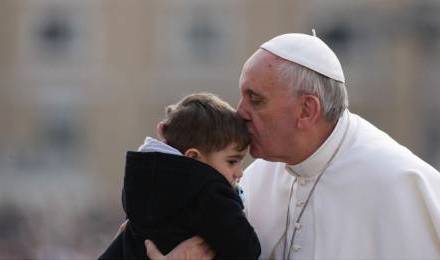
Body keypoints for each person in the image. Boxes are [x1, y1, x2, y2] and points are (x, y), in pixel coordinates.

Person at [145, 32, 440, 260]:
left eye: (255, 100)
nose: (239, 112)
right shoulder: (253, 179)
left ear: (306, 110)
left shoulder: (400, 183)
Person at [99, 93, 261, 259]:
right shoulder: (209, 193)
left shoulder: (142, 185)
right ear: (192, 158)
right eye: (232, 161)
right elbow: (248, 250)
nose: (240, 173)